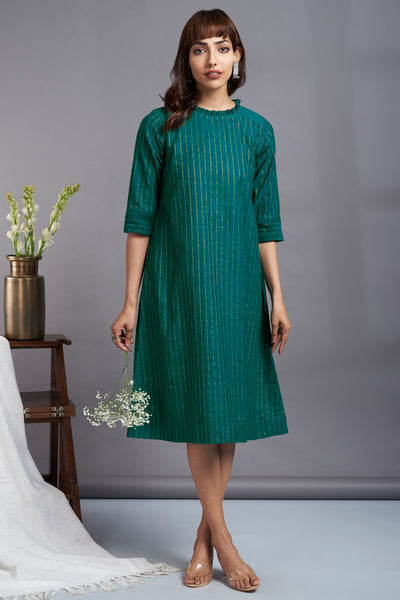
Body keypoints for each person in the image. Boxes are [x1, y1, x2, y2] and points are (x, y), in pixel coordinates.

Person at [111, 8, 291, 593]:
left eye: (222, 47)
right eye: (199, 49)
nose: (212, 59)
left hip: (238, 287)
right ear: (185, 60)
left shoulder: (257, 131)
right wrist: (131, 302)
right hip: (179, 286)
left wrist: (278, 297)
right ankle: (224, 540)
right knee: (197, 405)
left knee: (226, 408)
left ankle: (202, 539)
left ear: (238, 57)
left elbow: (266, 222)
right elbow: (140, 219)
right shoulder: (159, 127)